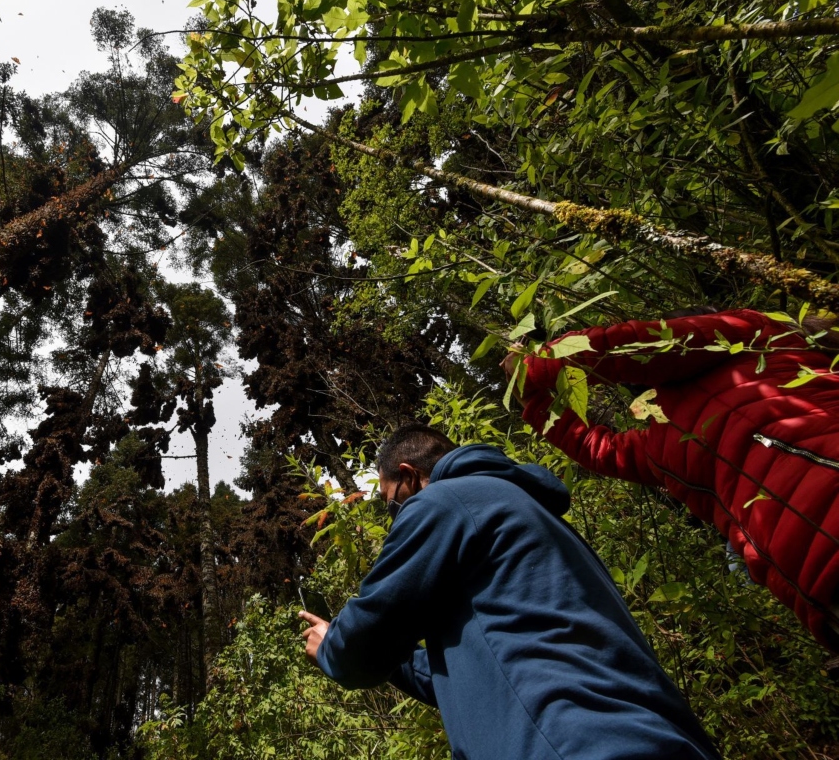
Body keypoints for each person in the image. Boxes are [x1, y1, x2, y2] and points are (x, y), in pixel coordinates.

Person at [298, 424, 720, 760]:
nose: (396, 518)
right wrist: (383, 657)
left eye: (393, 505)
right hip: (657, 734)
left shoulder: (443, 502)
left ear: (409, 475)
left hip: (569, 739)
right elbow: (474, 669)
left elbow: (366, 640)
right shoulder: (524, 507)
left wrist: (334, 645)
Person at [510, 308, 839, 649]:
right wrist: (532, 398)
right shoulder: (664, 441)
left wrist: (533, 365)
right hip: (815, 589)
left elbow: (633, 345)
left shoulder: (752, 340)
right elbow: (597, 449)